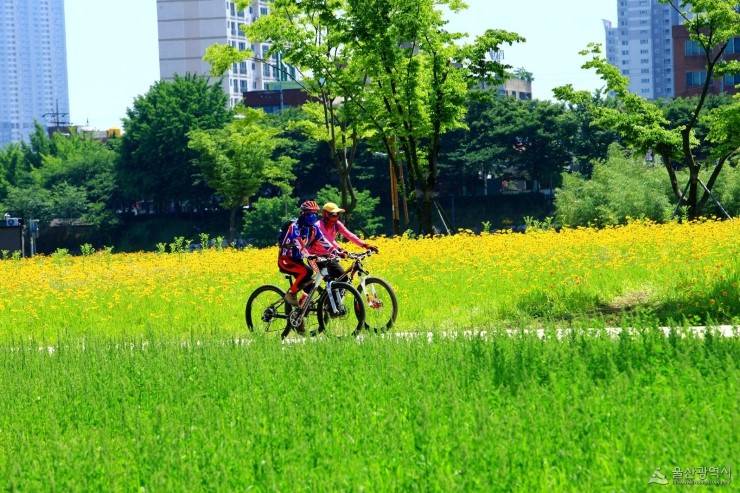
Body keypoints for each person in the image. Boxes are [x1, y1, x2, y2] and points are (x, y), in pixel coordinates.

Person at [278, 200, 339, 306]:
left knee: (310, 284)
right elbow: (299, 244)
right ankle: (290, 293)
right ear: (302, 214)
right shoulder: (294, 227)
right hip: (285, 260)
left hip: (298, 260)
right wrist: (309, 255)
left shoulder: (313, 228)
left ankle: (301, 309)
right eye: (310, 214)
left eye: (315, 214)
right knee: (306, 272)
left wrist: (336, 252)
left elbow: (324, 241)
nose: (313, 216)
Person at [308, 202, 379, 280]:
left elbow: (349, 235)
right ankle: (308, 292)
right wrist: (340, 250)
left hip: (329, 256)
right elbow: (329, 239)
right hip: (315, 258)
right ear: (325, 214)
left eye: (338, 214)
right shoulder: (319, 225)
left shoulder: (336, 224)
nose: (337, 216)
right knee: (329, 281)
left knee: (344, 279)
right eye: (334, 214)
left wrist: (365, 245)